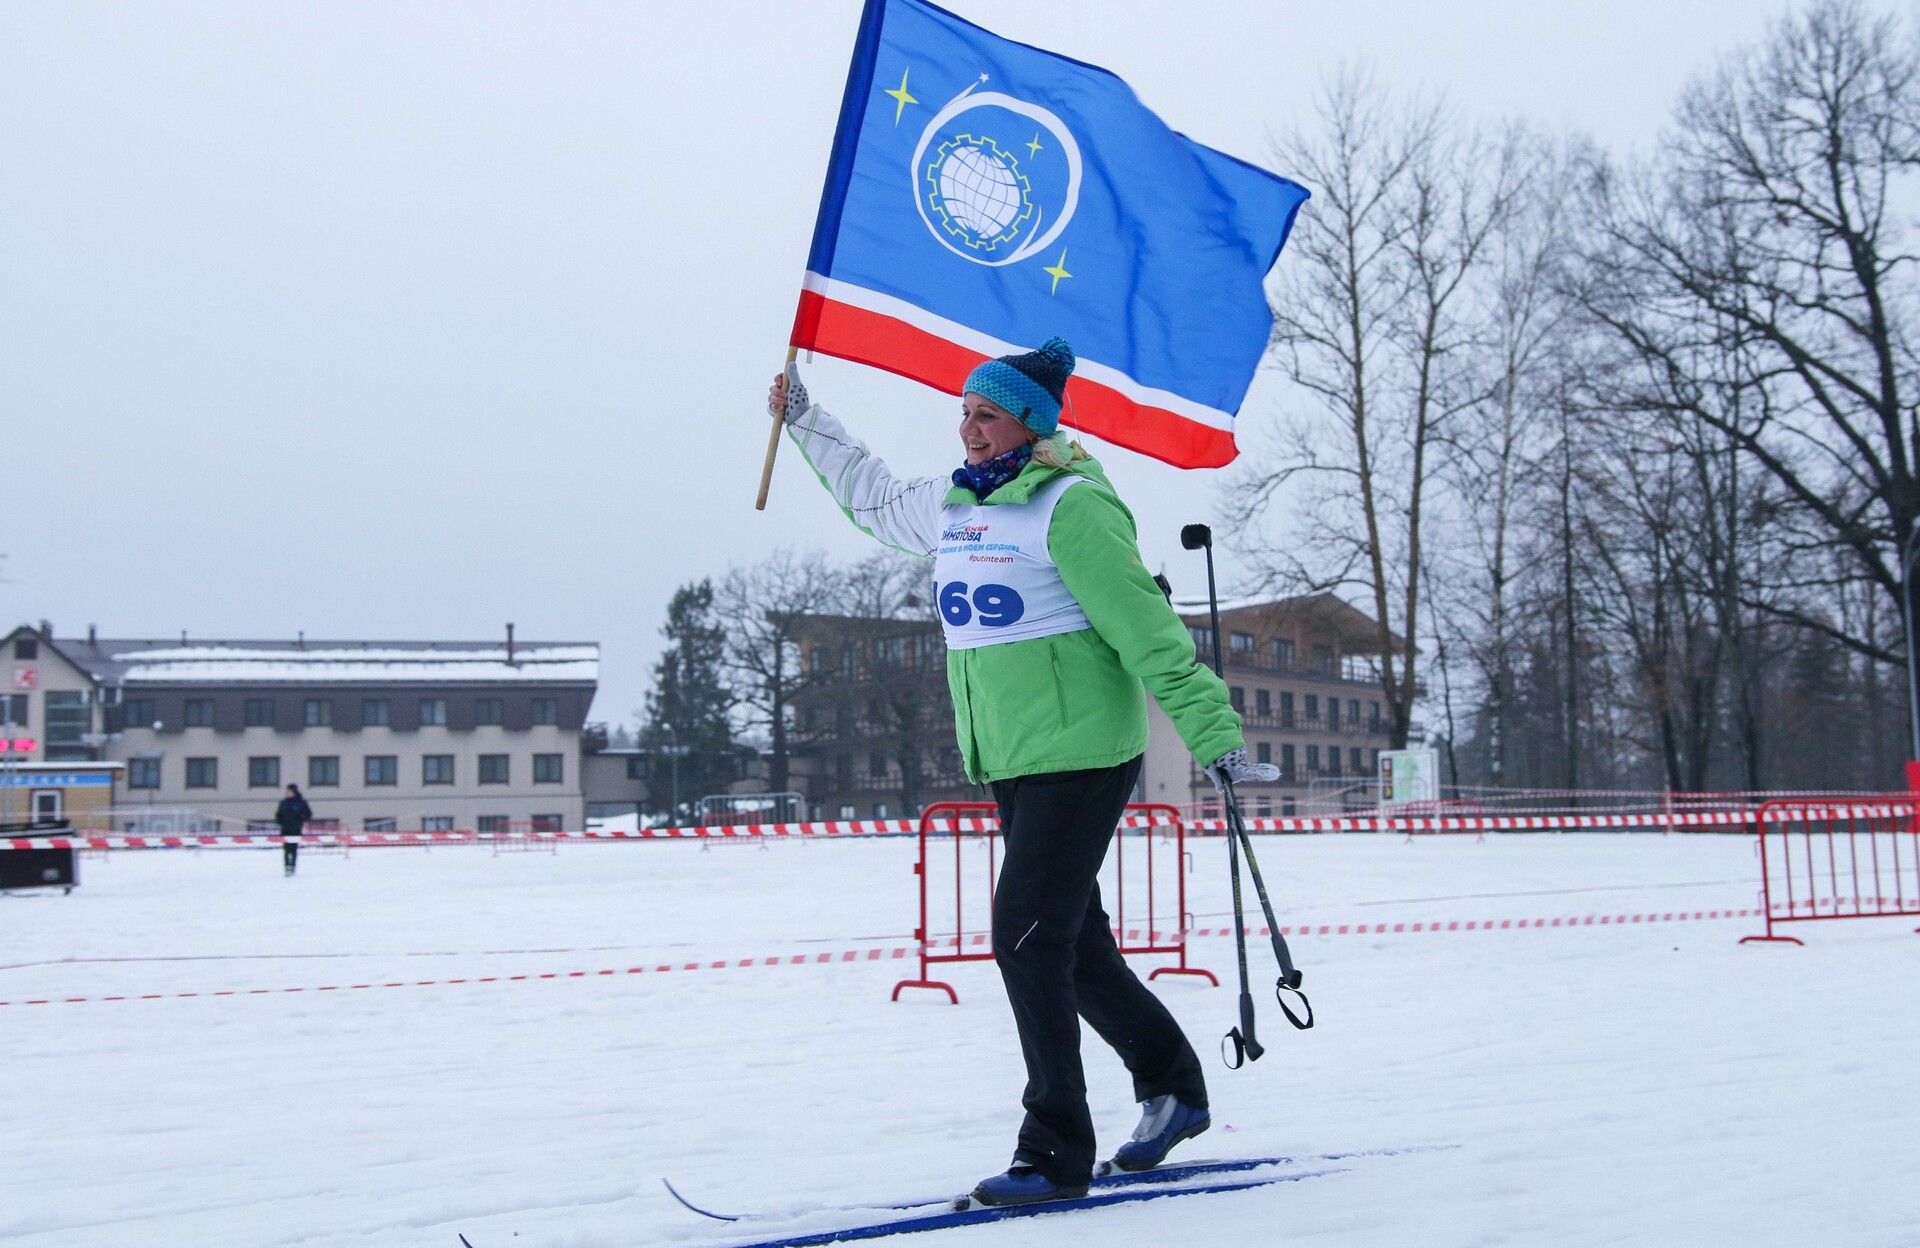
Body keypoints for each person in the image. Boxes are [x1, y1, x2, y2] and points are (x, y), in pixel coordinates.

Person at [768, 339, 1278, 1207]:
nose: (968, 430)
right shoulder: (959, 502)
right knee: (1072, 945)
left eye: (986, 414)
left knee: (1025, 937)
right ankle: (1174, 1086)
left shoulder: (1072, 506)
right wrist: (806, 419)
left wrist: (1211, 733)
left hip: (1082, 753)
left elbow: (1148, 631)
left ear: (1031, 425)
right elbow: (875, 498)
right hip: (1011, 756)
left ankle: (1053, 1151)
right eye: (964, 413)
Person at [275, 783, 312, 876]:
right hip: (285, 829)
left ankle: (293, 866)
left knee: (293, 849)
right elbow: (278, 814)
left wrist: (300, 820)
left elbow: (308, 814)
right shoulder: (283, 802)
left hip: (295, 829)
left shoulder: (301, 802)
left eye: (289, 791)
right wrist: (280, 821)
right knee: (286, 849)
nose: (287, 793)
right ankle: (287, 866)